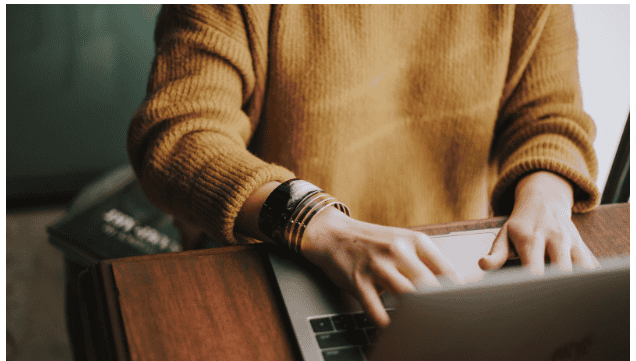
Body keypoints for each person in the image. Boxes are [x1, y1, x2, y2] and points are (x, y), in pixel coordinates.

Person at [128, 4, 600, 327]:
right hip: (275, 260)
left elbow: (551, 118)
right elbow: (178, 134)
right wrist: (314, 222)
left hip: (454, 272)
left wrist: (547, 195)